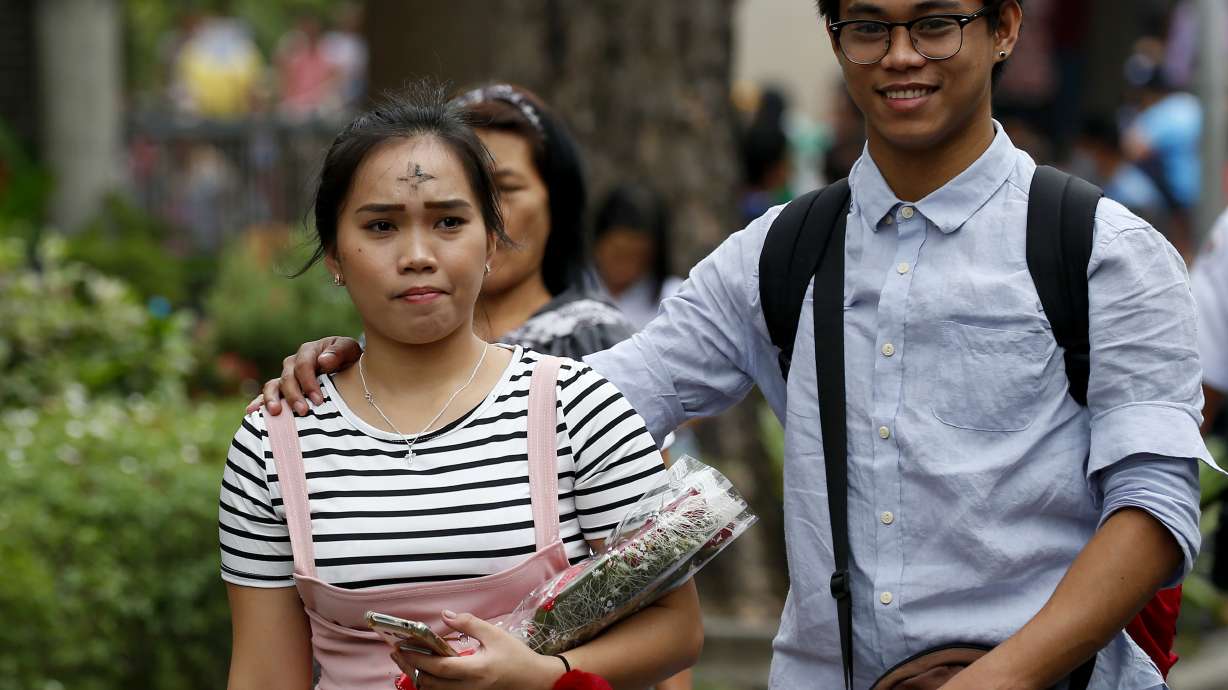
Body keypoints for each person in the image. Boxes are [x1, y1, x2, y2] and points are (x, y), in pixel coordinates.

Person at [257, 1, 1210, 687]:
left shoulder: (1101, 251)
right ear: (836, 37)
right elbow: (580, 402)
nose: (901, 55)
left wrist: (998, 681)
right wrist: (393, 363)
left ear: (1003, 28)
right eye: (868, 26)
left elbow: (1156, 512)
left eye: (936, 23)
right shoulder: (778, 254)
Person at [221, 85, 702, 690]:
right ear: (335, 255)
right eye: (381, 225)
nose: (418, 254)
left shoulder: (584, 409)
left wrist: (540, 674)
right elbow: (265, 673)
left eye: (449, 221)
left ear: (491, 242)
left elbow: (676, 630)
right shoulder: (274, 438)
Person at [592, 184, 684, 330]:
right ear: (598, 243)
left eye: (636, 256)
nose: (624, 266)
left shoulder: (675, 298)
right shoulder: (569, 286)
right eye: (617, 253)